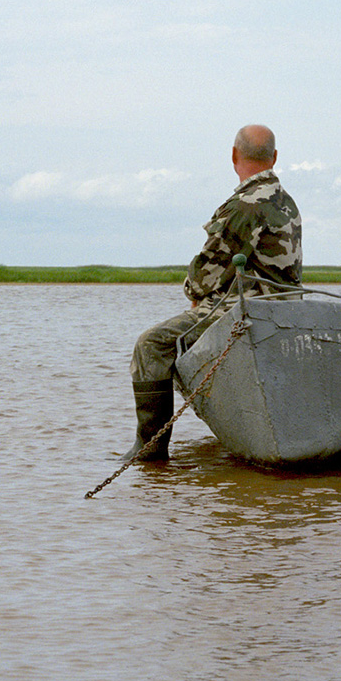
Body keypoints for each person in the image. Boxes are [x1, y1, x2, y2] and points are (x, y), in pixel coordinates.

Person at [127, 123, 302, 460]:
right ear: (275, 157)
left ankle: (150, 450)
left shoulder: (245, 205)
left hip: (249, 307)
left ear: (234, 156)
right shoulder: (286, 202)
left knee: (151, 344)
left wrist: (194, 292)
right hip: (285, 308)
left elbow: (208, 270)